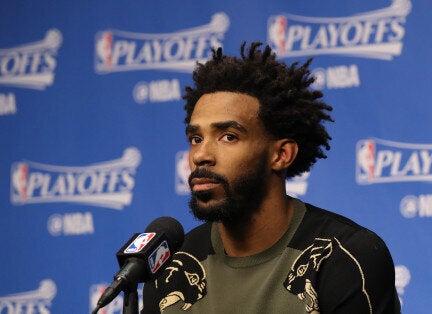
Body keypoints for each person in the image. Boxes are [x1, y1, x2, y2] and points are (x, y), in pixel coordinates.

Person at [142, 42, 400, 314]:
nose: (201, 155)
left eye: (228, 137)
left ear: (281, 154)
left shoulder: (344, 256)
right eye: (196, 139)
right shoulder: (173, 265)